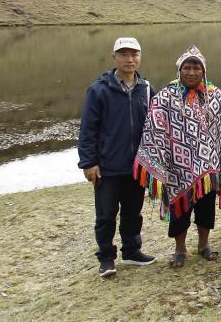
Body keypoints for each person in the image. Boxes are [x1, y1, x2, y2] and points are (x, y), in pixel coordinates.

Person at [134, 46, 221, 268]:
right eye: (186, 68)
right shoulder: (165, 98)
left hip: (208, 167)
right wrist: (164, 157)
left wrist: (218, 158)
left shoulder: (216, 97)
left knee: (206, 208)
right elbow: (154, 128)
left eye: (196, 67)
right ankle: (179, 249)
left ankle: (204, 244)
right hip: (177, 167)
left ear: (203, 70)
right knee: (180, 209)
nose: (191, 72)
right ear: (179, 70)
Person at [77, 37, 156, 278]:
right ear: (114, 58)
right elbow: (87, 130)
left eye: (134, 54)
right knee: (106, 215)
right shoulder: (98, 90)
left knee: (133, 212)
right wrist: (88, 162)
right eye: (123, 54)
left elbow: (157, 126)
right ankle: (106, 258)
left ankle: (132, 251)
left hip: (137, 166)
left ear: (140, 57)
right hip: (108, 167)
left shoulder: (147, 89)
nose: (129, 59)